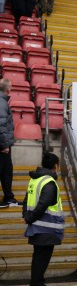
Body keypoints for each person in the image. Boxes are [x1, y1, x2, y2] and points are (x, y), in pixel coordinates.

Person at [23, 151, 63, 286]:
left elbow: (26, 200)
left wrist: (27, 216)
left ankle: (37, 283)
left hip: (37, 227)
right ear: (55, 166)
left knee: (38, 256)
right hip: (46, 227)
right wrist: (31, 217)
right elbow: (43, 204)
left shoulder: (34, 180)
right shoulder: (49, 182)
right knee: (42, 257)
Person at [0, 79, 17, 208]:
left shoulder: (3, 101)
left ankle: (9, 197)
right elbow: (1, 125)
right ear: (7, 90)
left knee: (7, 172)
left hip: (3, 143)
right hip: (2, 145)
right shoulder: (2, 102)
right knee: (5, 172)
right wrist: (4, 145)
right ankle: (8, 198)